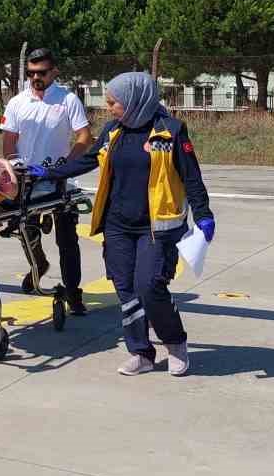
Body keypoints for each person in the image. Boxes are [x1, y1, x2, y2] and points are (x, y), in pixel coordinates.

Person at [28, 72, 215, 377]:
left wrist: (204, 214)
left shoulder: (170, 131)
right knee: (125, 289)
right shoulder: (114, 130)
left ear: (134, 102)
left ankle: (175, 342)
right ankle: (141, 351)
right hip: (117, 224)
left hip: (156, 226)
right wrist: (48, 173)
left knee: (149, 286)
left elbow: (192, 177)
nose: (109, 106)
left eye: (114, 102)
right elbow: (88, 160)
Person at [1, 48, 93, 314]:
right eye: (30, 73)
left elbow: (84, 137)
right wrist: (13, 165)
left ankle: (73, 293)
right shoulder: (18, 102)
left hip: (58, 181)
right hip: (27, 180)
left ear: (54, 72)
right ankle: (38, 264)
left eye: (41, 73)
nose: (35, 78)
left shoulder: (67, 100)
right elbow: (8, 139)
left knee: (67, 239)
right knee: (25, 230)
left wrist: (66, 166)